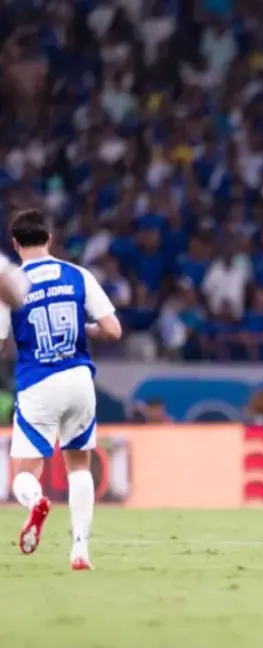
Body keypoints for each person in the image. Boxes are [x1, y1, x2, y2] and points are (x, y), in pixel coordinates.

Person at [0, 208, 122, 570]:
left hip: (39, 382)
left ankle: (36, 500)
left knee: (23, 472)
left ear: (16, 244)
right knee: (79, 464)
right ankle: (80, 549)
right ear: (49, 239)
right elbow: (113, 329)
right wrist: (86, 329)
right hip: (80, 380)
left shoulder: (13, 283)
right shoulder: (77, 275)